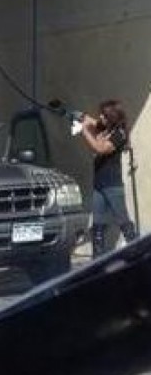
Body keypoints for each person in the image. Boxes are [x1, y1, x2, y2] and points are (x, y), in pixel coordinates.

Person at [80, 99, 137, 257]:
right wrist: (81, 117)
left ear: (112, 117)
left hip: (112, 185)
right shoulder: (107, 129)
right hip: (99, 184)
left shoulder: (120, 134)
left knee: (123, 221)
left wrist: (84, 131)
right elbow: (93, 121)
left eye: (104, 115)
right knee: (98, 225)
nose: (101, 118)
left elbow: (101, 149)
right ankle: (97, 261)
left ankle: (137, 254)